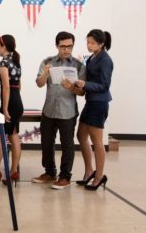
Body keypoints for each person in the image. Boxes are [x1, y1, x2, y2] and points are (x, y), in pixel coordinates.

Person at [31, 31, 85, 190]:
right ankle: (50, 172)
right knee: (46, 143)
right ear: (57, 46)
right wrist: (46, 73)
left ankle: (65, 177)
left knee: (67, 144)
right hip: (48, 110)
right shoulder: (47, 62)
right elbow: (39, 83)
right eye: (63, 46)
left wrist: (72, 88)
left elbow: (82, 92)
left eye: (70, 46)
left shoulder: (78, 65)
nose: (66, 50)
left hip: (67, 111)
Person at [73, 29, 113, 190]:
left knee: (97, 142)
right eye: (88, 42)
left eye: (92, 43)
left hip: (99, 103)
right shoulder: (92, 57)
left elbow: (104, 85)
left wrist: (85, 84)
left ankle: (99, 176)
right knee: (81, 135)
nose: (89, 45)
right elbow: (90, 73)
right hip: (91, 101)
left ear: (101, 44)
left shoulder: (106, 60)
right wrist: (81, 64)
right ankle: (89, 170)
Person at [0, 35, 24, 187]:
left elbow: (6, 87)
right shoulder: (16, 62)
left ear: (4, 46)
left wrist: (4, 108)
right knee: (14, 136)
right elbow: (18, 86)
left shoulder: (3, 62)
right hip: (18, 101)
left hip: (9, 103)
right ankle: (13, 171)